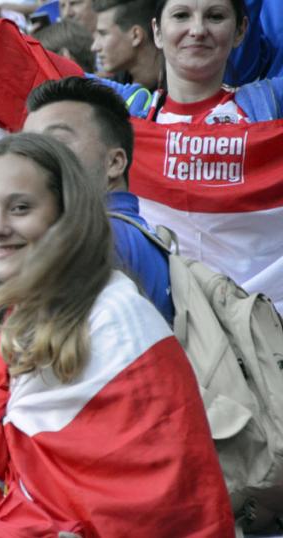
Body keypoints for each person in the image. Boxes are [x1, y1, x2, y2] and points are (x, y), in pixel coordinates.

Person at [0, 132, 230, 534]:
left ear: (66, 217)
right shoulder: (2, 324)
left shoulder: (117, 315)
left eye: (20, 208)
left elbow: (169, 499)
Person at [23, 76, 173, 322]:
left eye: (56, 142)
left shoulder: (99, 238)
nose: (36, 158)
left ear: (114, 163)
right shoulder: (127, 233)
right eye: (28, 146)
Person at [103, 0, 283, 123]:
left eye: (216, 16)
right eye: (181, 15)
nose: (198, 30)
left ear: (240, 31)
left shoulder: (267, 103)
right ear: (156, 31)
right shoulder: (132, 108)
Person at [90, 0, 161, 89]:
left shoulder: (179, 90)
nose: (94, 47)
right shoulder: (113, 88)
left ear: (136, 35)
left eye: (103, 34)